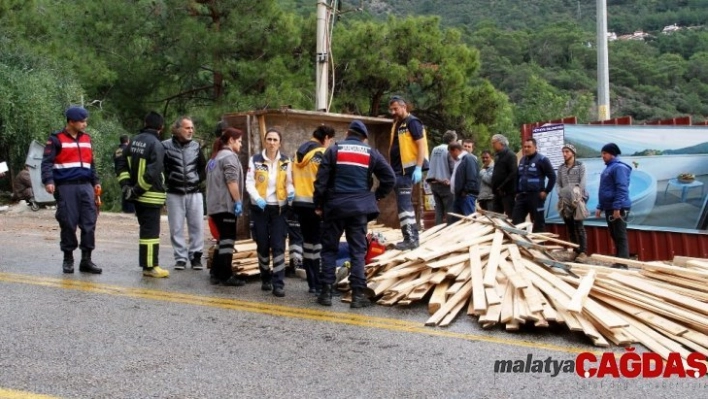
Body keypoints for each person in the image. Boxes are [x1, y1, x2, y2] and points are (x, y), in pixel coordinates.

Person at [315, 120, 395, 308]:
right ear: (364, 138)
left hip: (334, 208)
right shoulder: (371, 153)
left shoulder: (334, 150)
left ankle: (325, 293)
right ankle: (358, 295)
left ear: (348, 134)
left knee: (329, 249)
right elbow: (389, 178)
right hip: (359, 210)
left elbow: (321, 181)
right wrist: (376, 196)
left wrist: (319, 204)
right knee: (358, 251)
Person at [41, 106, 102, 274]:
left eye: (85, 121)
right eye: (82, 121)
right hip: (66, 186)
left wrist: (95, 181)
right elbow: (46, 163)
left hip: (86, 186)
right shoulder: (56, 139)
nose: (85, 124)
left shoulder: (87, 139)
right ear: (71, 122)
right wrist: (48, 180)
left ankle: (86, 260)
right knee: (68, 222)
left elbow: (92, 164)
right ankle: (68, 258)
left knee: (89, 223)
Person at [116, 111, 170, 278]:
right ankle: (150, 267)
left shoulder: (133, 142)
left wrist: (126, 187)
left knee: (146, 231)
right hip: (150, 196)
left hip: (136, 197)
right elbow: (153, 173)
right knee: (150, 233)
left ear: (145, 123)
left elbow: (121, 164)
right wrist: (138, 189)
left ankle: (148, 265)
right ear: (161, 127)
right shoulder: (156, 144)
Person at [245, 127, 294, 297]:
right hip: (260, 208)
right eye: (269, 139)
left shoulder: (286, 161)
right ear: (265, 141)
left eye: (275, 140)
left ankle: (278, 283)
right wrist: (257, 198)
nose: (272, 142)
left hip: (279, 209)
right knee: (263, 246)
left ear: (280, 143)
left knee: (279, 246)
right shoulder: (256, 160)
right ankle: (265, 276)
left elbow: (289, 182)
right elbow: (249, 183)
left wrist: (291, 191)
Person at [292, 125, 336, 294]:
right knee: (318, 245)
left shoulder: (298, 152)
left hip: (299, 203)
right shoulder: (321, 153)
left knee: (308, 243)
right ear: (325, 137)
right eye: (330, 140)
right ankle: (319, 284)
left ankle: (312, 283)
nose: (330, 143)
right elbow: (323, 182)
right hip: (315, 205)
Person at [163, 116, 207, 270]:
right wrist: (169, 180)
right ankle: (180, 258)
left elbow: (204, 167)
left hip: (194, 193)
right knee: (176, 227)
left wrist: (197, 180)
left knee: (197, 227)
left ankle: (196, 257)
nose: (191, 131)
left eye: (192, 128)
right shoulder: (165, 146)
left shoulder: (196, 146)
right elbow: (162, 168)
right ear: (177, 129)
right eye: (187, 128)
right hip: (174, 193)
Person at [388, 96, 429, 250]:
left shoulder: (413, 122)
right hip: (398, 170)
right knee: (403, 205)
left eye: (395, 109)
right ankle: (409, 237)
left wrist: (418, 167)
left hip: (407, 171)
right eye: (391, 109)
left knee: (405, 205)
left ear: (404, 107)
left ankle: (411, 239)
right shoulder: (397, 124)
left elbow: (421, 146)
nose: (393, 112)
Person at [206, 127, 245, 286]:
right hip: (225, 205)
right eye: (240, 141)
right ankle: (226, 275)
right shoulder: (229, 157)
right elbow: (231, 181)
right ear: (231, 140)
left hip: (214, 206)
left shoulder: (213, 159)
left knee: (221, 240)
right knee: (228, 240)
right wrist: (237, 201)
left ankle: (215, 272)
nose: (241, 145)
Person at [595, 143, 632, 269]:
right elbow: (604, 189)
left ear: (612, 154)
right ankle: (619, 260)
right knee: (614, 234)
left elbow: (622, 188)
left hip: (619, 207)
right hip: (609, 206)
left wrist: (617, 207)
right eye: (602, 154)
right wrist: (600, 206)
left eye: (604, 153)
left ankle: (623, 263)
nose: (602, 156)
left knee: (620, 234)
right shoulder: (609, 168)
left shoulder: (619, 168)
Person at [512, 138, 556, 232]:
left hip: (536, 196)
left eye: (529, 146)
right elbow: (517, 177)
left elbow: (552, 176)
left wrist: (546, 191)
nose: (526, 149)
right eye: (524, 147)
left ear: (535, 147)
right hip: (522, 196)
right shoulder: (522, 160)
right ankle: (521, 244)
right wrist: (516, 192)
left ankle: (539, 245)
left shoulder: (542, 160)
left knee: (538, 222)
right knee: (516, 221)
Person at [556, 144, 589, 262]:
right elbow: (558, 183)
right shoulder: (561, 168)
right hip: (565, 200)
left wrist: (578, 197)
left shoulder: (581, 166)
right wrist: (561, 194)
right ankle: (576, 250)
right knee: (569, 226)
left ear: (573, 153)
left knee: (579, 226)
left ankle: (583, 252)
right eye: (563, 152)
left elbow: (583, 183)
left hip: (578, 199)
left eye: (567, 152)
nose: (564, 154)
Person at [425, 130, 457, 225]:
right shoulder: (449, 149)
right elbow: (453, 167)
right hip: (445, 184)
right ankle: (449, 232)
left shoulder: (435, 149)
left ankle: (437, 230)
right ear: (452, 140)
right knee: (449, 211)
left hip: (433, 183)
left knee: (438, 210)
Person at [447, 143, 479, 223]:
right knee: (456, 221)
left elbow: (472, 177)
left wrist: (465, 191)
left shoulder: (468, 158)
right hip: (459, 195)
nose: (451, 156)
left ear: (456, 150)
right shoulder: (459, 160)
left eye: (451, 153)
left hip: (466, 196)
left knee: (469, 220)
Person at [490, 134, 517, 218]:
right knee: (496, 216)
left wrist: (502, 186)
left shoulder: (510, 155)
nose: (492, 145)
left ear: (500, 143)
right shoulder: (497, 156)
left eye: (494, 143)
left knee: (510, 215)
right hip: (497, 192)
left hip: (507, 192)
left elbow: (513, 173)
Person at [114, 135, 135, 214]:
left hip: (120, 175)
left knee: (125, 191)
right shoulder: (127, 149)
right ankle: (130, 211)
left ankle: (125, 209)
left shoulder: (117, 151)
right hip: (127, 174)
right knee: (129, 191)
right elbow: (130, 161)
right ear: (128, 141)